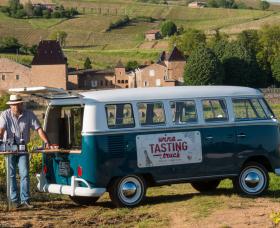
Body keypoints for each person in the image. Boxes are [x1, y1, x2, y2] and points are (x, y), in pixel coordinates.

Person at [0, 94, 50, 209]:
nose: (15, 106)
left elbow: (38, 129)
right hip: (9, 147)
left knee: (24, 174)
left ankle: (25, 201)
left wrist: (47, 142)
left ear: (21, 104)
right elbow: (1, 130)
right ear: (10, 105)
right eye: (13, 105)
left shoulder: (29, 114)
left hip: (23, 147)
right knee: (11, 175)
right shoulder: (4, 115)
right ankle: (14, 201)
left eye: (17, 104)